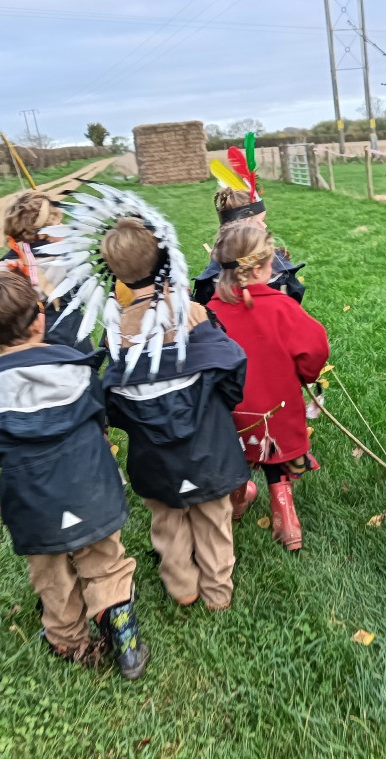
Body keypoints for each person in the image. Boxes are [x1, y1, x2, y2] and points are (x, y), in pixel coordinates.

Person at [0, 272, 149, 681]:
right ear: (40, 318)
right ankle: (125, 639)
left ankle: (68, 640)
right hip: (90, 485)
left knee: (51, 572)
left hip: (31, 499)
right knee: (105, 560)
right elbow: (100, 416)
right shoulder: (77, 367)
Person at [100, 217, 250, 611]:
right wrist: (221, 402)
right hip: (208, 451)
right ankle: (219, 591)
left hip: (154, 458)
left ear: (114, 272)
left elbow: (112, 401)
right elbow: (232, 363)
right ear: (162, 258)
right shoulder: (192, 314)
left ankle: (182, 585)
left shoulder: (116, 332)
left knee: (168, 522)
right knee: (214, 519)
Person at [207, 223, 330, 551]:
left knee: (236, 455)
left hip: (230, 415)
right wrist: (305, 374)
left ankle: (238, 496)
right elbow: (316, 347)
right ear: (263, 268)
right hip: (278, 409)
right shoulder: (283, 307)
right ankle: (286, 517)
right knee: (272, 450)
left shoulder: (209, 315)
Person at [0, 190, 93, 351]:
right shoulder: (65, 260)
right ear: (44, 234)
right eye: (58, 225)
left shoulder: (5, 266)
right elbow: (86, 288)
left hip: (27, 346)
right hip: (72, 342)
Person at [191, 188, 306, 306]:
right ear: (247, 224)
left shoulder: (212, 276)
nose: (264, 225)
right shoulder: (275, 274)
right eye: (261, 220)